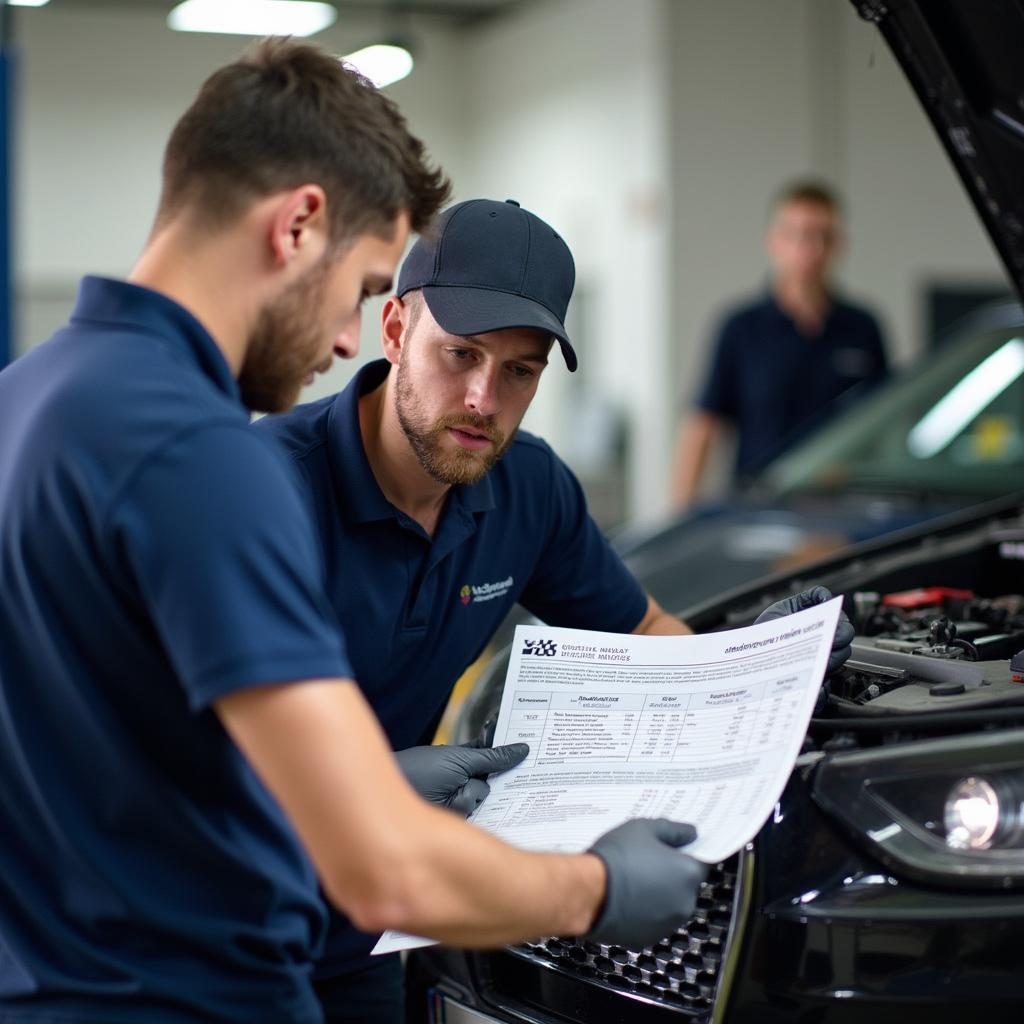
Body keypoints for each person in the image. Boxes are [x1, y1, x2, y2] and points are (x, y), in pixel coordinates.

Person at [0, 43, 712, 1024]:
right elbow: (378, 867)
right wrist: (593, 887)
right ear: (297, 224)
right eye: (364, 284)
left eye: (519, 370)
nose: (344, 337)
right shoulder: (200, 456)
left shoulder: (31, 396)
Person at [255, 197, 856, 1022]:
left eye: (520, 371)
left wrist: (759, 664)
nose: (481, 399)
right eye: (459, 353)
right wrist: (365, 788)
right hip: (216, 923)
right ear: (393, 330)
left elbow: (645, 635)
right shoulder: (262, 492)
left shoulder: (528, 489)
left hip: (370, 927)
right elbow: (161, 752)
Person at [671, 180, 890, 509]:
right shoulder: (740, 328)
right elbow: (704, 423)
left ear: (839, 245)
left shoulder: (863, 327)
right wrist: (680, 513)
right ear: (774, 241)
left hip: (843, 509)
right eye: (798, 234)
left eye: (823, 236)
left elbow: (885, 422)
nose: (811, 248)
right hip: (758, 508)